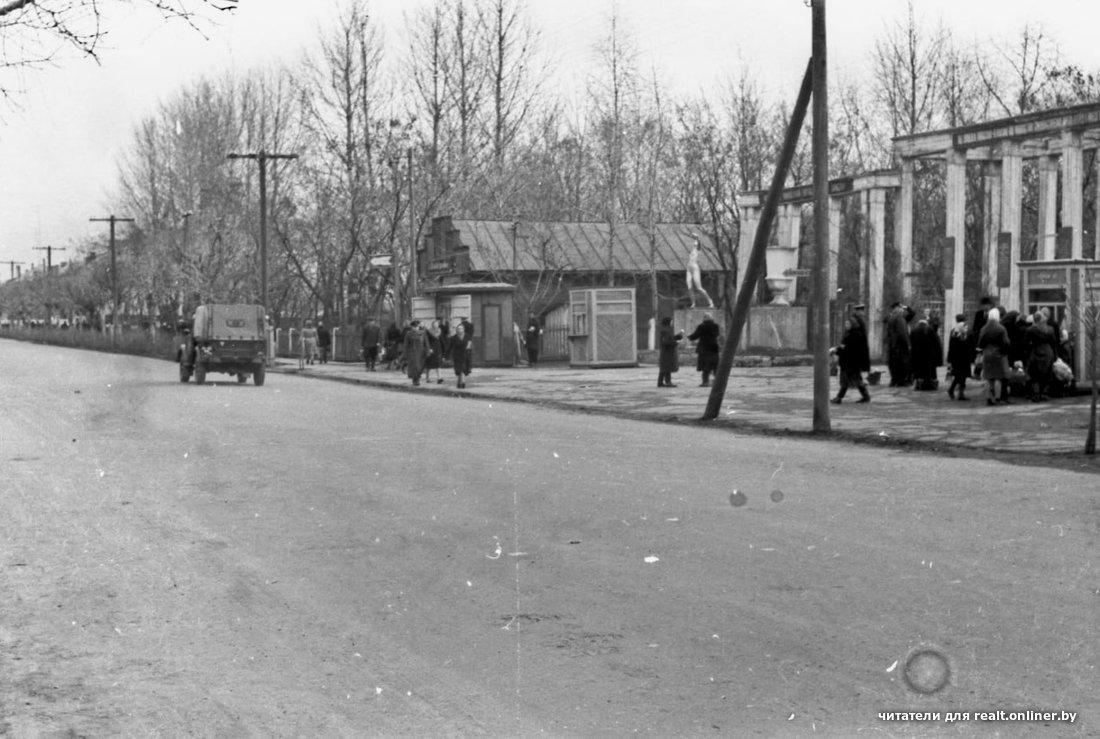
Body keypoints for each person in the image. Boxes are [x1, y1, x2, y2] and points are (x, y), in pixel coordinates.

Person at [830, 304, 871, 404]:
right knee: (854, 380)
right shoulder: (852, 332)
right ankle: (865, 396)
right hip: (850, 362)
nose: (846, 326)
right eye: (846, 324)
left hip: (851, 362)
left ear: (852, 324)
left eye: (848, 324)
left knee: (849, 380)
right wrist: (838, 349)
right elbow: (845, 346)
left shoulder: (854, 334)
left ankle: (839, 397)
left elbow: (848, 348)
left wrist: (837, 350)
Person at [977, 307, 1010, 406]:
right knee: (997, 377)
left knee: (988, 378)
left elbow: (980, 343)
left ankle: (988, 398)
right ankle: (997, 398)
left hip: (987, 354)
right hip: (998, 354)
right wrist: (1004, 351)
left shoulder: (984, 328)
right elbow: (1006, 342)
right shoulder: (1001, 328)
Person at [1025, 310, 1057, 401]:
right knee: (1046, 374)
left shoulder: (1030, 330)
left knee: (1034, 374)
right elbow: (1053, 343)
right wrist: (1055, 355)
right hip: (1048, 352)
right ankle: (1044, 394)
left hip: (1035, 352)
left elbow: (1026, 343)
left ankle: (1036, 394)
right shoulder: (1050, 329)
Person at [687, 313, 721, 387]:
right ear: (711, 318)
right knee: (715, 365)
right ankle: (718, 381)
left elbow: (695, 335)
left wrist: (688, 337)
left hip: (703, 348)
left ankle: (705, 382)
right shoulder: (715, 326)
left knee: (705, 365)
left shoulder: (701, 326)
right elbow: (717, 334)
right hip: (713, 348)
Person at [909, 316, 943, 391]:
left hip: (917, 355)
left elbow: (911, 342)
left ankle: (919, 384)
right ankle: (930, 385)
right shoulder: (930, 329)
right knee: (929, 371)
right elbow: (936, 342)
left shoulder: (914, 330)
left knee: (919, 370)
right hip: (929, 355)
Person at [945, 313, 973, 401]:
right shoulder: (967, 330)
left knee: (958, 375)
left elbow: (951, 345)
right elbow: (970, 344)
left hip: (956, 357)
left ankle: (956, 391)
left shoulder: (953, 331)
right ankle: (957, 392)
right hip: (964, 357)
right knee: (962, 376)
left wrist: (949, 358)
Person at [884, 302, 912, 387]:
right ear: (897, 308)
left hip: (892, 344)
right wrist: (908, 344)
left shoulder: (891, 317)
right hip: (900, 345)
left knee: (893, 364)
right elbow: (902, 332)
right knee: (902, 363)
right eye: (900, 308)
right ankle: (901, 381)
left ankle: (894, 380)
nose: (902, 309)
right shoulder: (900, 318)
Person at [685, 234, 715, 309]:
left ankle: (710, 301)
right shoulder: (692, 250)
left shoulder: (696, 249)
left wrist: (697, 238)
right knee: (689, 287)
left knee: (699, 288)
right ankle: (693, 303)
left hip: (695, 267)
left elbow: (698, 244)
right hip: (689, 268)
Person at [656, 316, 683, 388]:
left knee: (664, 368)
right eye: (671, 321)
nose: (672, 323)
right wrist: (676, 342)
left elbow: (669, 339)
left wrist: (677, 336)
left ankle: (660, 382)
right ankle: (668, 382)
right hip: (667, 353)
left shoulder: (665, 330)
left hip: (666, 352)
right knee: (667, 367)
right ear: (668, 322)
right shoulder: (666, 331)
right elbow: (666, 342)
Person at [403, 320, 431, 386]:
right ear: (412, 327)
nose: (416, 328)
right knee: (415, 367)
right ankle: (416, 380)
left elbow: (426, 343)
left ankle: (417, 378)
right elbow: (406, 345)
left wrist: (428, 351)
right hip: (412, 353)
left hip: (421, 353)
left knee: (420, 367)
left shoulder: (422, 333)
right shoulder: (408, 334)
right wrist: (405, 353)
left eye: (417, 327)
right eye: (414, 327)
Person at [449, 321, 473, 388]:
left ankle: (462, 382)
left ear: (463, 329)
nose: (460, 330)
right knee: (459, 371)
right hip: (457, 356)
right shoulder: (453, 338)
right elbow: (450, 347)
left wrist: (469, 349)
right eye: (459, 329)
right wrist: (446, 356)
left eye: (461, 328)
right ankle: (460, 382)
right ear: (457, 330)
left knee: (463, 370)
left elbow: (469, 344)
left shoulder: (467, 336)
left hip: (465, 355)